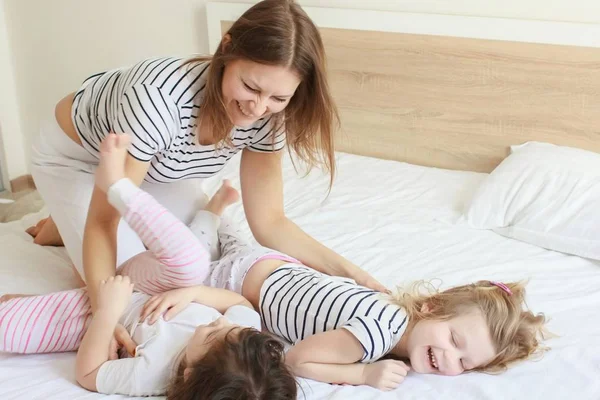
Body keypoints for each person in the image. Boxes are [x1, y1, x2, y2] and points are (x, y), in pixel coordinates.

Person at [3, 135, 548, 393]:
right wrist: (361, 374)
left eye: (464, 363)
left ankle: (209, 213)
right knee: (193, 258)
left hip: (260, 273)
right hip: (241, 280)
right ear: (433, 306)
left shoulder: (389, 314)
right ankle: (121, 192)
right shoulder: (375, 334)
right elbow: (301, 362)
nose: (448, 359)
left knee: (212, 242)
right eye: (454, 339)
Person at [27, 0, 386, 323]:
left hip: (155, 166)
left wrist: (352, 274)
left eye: (278, 97)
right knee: (125, 282)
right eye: (251, 87)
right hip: (75, 158)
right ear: (226, 49)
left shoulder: (271, 116)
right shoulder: (158, 100)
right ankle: (65, 210)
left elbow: (270, 222)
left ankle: (60, 221)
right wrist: (107, 317)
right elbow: (105, 220)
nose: (257, 109)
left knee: (204, 250)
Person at [1, 137, 297, 398]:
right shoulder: (243, 342)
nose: (220, 322)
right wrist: (192, 293)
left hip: (107, 308)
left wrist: (106, 313)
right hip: (158, 284)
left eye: (211, 334)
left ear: (189, 375)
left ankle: (61, 234)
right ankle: (130, 190)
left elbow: (89, 374)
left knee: (10, 328)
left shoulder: (154, 373)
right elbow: (240, 302)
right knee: (193, 260)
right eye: (229, 326)